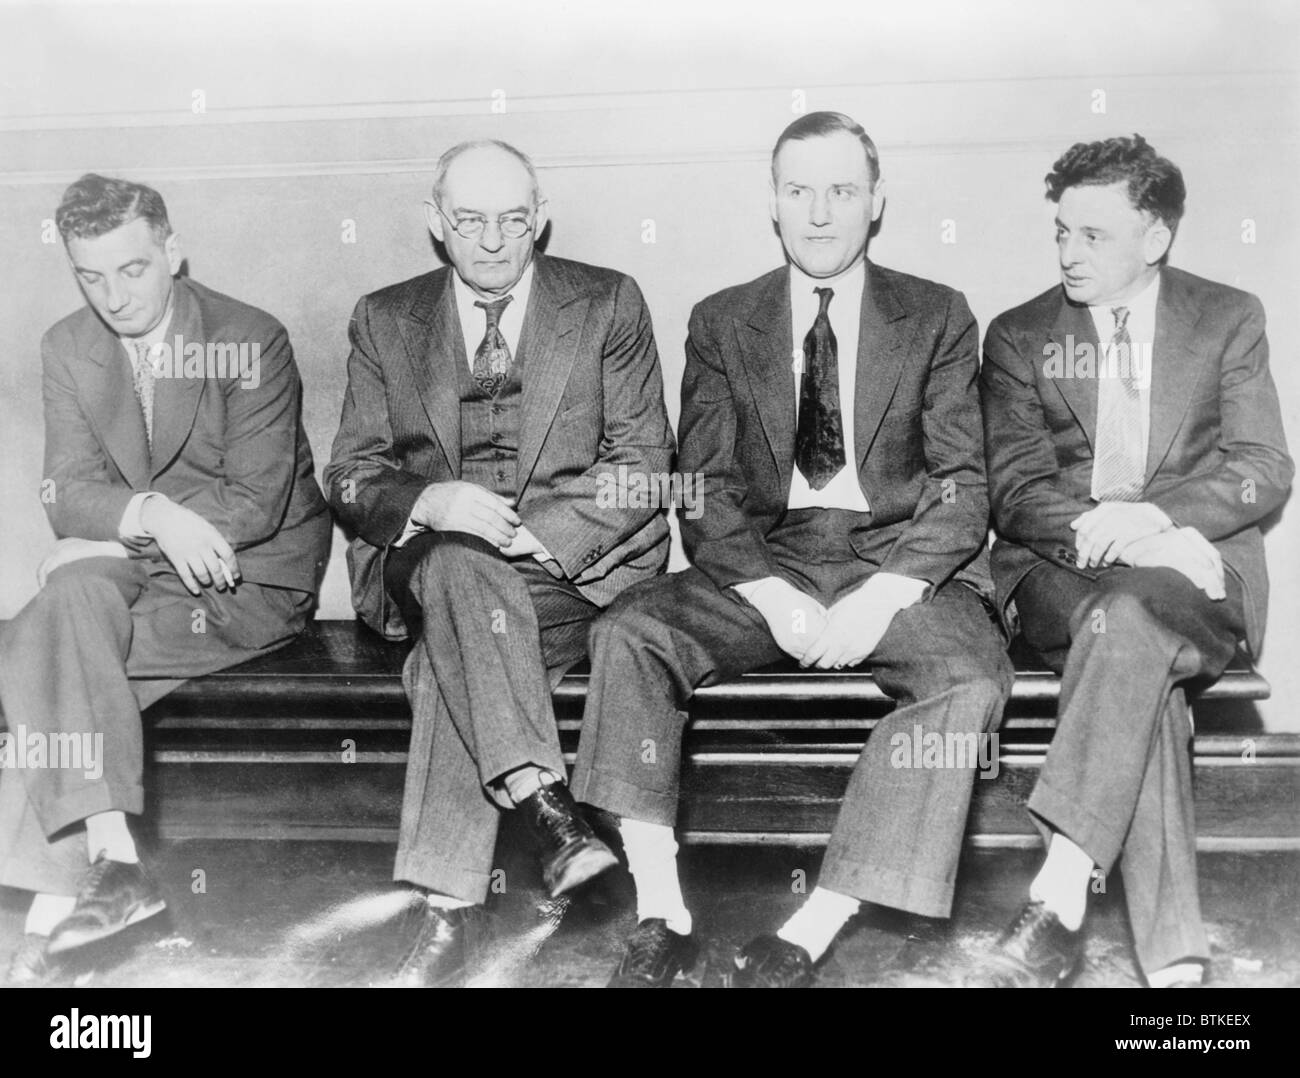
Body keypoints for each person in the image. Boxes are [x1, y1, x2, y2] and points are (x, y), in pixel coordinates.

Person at [570, 112, 1014, 988]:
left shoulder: (936, 315)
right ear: (772, 203)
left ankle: (815, 925)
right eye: (799, 192)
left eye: (842, 191)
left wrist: (888, 595)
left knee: (970, 680)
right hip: (763, 563)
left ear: (877, 202)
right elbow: (703, 485)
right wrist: (770, 593)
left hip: (899, 561)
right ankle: (661, 909)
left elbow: (963, 487)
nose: (819, 215)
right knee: (629, 633)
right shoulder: (723, 320)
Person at [324, 139, 675, 987]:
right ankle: (550, 817)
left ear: (540, 218)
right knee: (452, 568)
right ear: (434, 222)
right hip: (426, 566)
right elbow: (346, 473)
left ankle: (448, 912)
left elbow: (645, 465)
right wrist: (432, 503)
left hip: (567, 576)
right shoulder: (384, 317)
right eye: (469, 220)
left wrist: (527, 533)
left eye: (512, 220)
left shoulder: (606, 303)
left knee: (453, 661)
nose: (491, 241)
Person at [975, 135, 1293, 988]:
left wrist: (1159, 518)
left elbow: (1263, 466)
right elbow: (1015, 491)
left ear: (1154, 238)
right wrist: (1118, 530)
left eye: (1094, 235)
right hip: (1060, 573)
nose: (1070, 253)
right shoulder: (1020, 334)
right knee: (1126, 628)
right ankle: (1175, 968)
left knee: (1132, 624)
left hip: (1191, 572)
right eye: (1062, 233)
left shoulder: (1228, 316)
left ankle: (1059, 896)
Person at [0, 173, 332, 985]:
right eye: (91, 275)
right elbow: (69, 491)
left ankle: (55, 913)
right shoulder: (66, 346)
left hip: (247, 577)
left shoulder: (247, 337)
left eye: (133, 270)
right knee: (66, 606)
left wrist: (120, 533)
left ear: (172, 251)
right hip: (145, 559)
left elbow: (252, 506)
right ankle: (115, 862)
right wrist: (149, 515)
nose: (113, 296)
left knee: (38, 649)